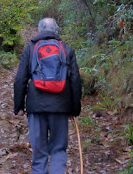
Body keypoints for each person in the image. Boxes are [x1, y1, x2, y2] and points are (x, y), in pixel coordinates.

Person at [13, 18, 82, 174]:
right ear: (56, 29)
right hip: (61, 106)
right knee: (58, 149)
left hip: (36, 107)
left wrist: (19, 107)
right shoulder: (66, 49)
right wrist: (74, 108)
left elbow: (20, 80)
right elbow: (75, 80)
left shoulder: (30, 49)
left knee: (39, 152)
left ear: (39, 29)